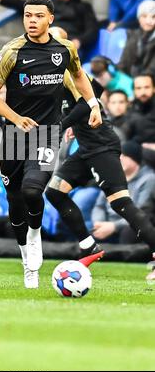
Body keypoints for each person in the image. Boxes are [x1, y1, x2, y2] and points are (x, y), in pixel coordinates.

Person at [0, 0, 102, 289]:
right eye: (27, 15)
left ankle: (35, 236)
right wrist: (16, 117)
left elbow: (79, 75)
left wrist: (93, 103)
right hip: (13, 134)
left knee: (33, 190)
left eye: (38, 15)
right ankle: (27, 259)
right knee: (14, 201)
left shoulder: (64, 49)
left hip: (47, 133)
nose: (32, 20)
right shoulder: (11, 51)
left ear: (51, 18)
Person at [45, 70, 155, 279]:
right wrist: (71, 123)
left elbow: (92, 95)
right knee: (54, 192)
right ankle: (89, 247)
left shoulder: (70, 69)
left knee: (121, 203)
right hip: (86, 148)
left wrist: (63, 124)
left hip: (102, 146)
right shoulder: (52, 78)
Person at [91, 141, 155, 244]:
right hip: (107, 226)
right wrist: (99, 223)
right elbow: (99, 206)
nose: (119, 158)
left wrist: (114, 226)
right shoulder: (110, 177)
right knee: (89, 237)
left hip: (128, 227)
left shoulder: (149, 179)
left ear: (135, 159)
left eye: (124, 155)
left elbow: (142, 213)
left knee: (129, 232)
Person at [118, 0, 155, 78]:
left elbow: (152, 69)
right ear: (139, 18)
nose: (149, 21)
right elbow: (123, 63)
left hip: (148, 82)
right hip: (130, 80)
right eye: (144, 16)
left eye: (153, 17)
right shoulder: (133, 35)